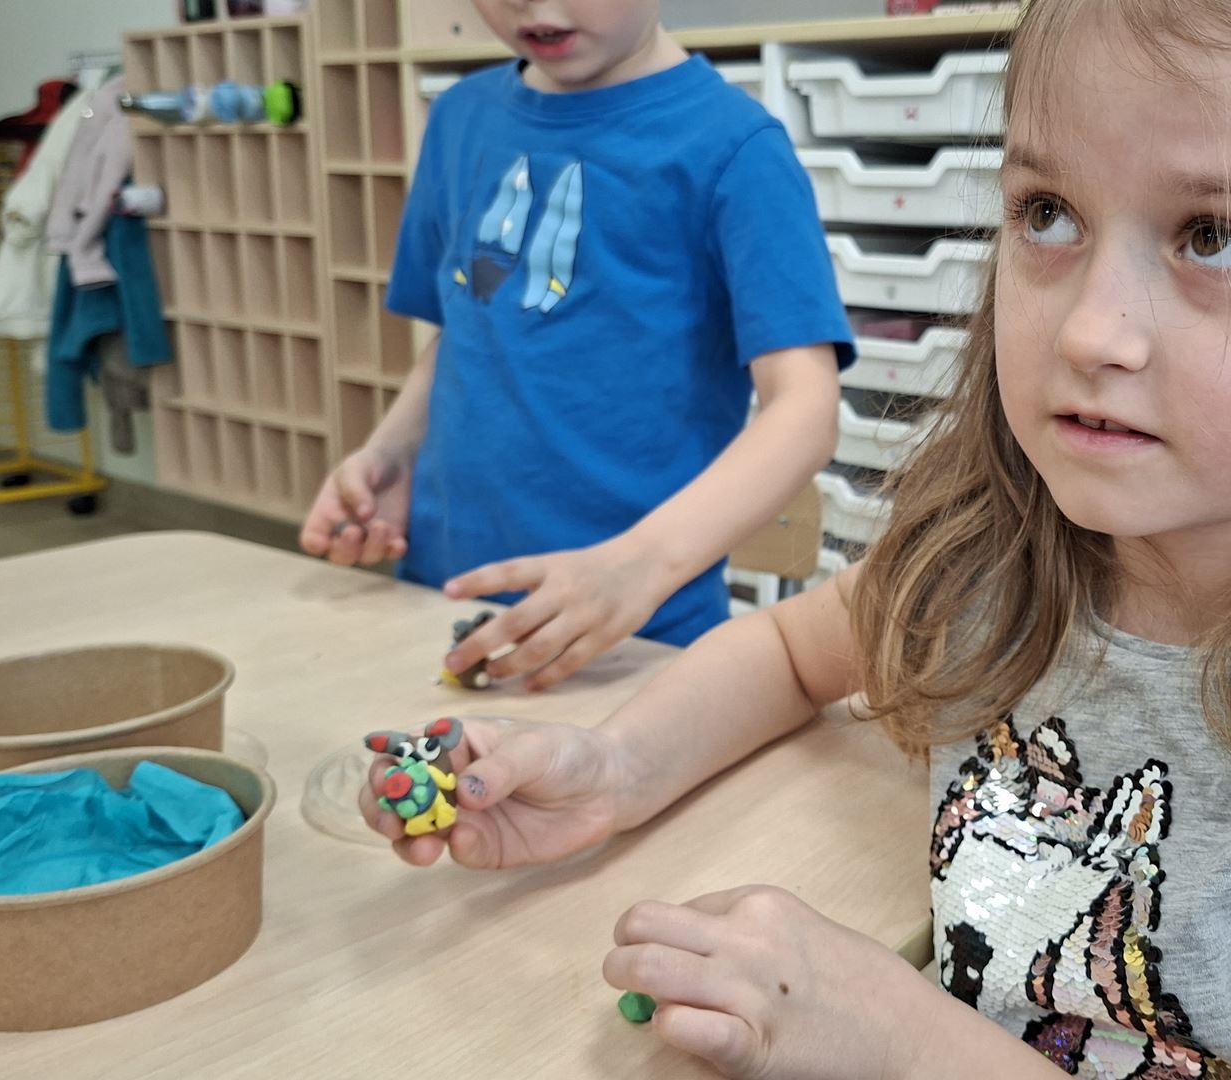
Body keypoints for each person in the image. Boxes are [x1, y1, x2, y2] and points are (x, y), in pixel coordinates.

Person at [361, 0, 1231, 1075]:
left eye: (1215, 237)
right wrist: (611, 769)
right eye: (1048, 214)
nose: (1087, 331)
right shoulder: (1008, 551)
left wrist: (904, 1045)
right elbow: (787, 652)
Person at [299, 0, 852, 690]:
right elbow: (468, 325)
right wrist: (391, 452)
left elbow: (804, 410)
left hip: (634, 644)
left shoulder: (737, 148)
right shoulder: (459, 117)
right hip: (443, 604)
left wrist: (639, 565)